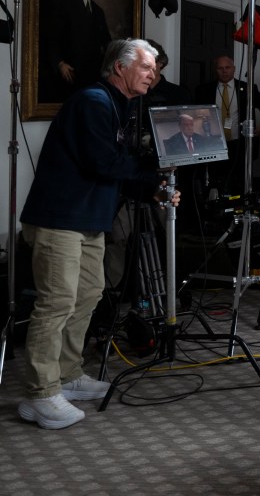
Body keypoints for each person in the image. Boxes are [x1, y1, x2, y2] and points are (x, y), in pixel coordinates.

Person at [18, 38, 180, 430]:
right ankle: (39, 394)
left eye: (155, 69)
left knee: (88, 293)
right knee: (56, 303)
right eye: (146, 67)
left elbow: (115, 170)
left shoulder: (119, 105)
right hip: (59, 219)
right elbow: (103, 162)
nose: (153, 75)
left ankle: (68, 374)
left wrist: (153, 190)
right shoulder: (92, 102)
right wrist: (152, 174)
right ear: (120, 68)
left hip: (89, 218)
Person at [195, 54, 260, 194]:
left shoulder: (247, 88)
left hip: (241, 144)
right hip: (214, 144)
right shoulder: (204, 90)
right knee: (216, 183)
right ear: (215, 70)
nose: (224, 71)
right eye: (220, 68)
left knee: (240, 184)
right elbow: (195, 114)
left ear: (234, 69)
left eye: (227, 67)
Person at [42, 0, 111, 101]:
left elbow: (108, 44)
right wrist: (60, 63)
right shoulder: (66, 5)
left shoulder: (98, 11)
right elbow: (53, 39)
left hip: (93, 75)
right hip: (71, 72)